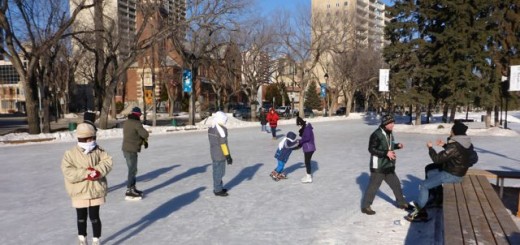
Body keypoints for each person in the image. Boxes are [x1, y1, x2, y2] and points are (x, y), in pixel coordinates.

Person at [406, 121, 474, 222]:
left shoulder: (455, 145)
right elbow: (457, 152)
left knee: (424, 185)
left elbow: (437, 159)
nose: (450, 131)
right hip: (458, 170)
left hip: (452, 174)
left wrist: (430, 148)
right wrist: (444, 145)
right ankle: (437, 198)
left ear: (455, 132)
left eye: (452, 129)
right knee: (430, 172)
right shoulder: (465, 142)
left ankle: (420, 212)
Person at [61, 123, 113, 245]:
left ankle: (96, 240)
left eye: (94, 138)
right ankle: (82, 239)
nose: (92, 141)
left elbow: (108, 162)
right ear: (82, 138)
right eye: (90, 138)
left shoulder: (99, 151)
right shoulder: (70, 154)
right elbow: (68, 171)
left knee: (95, 217)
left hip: (95, 190)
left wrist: (98, 171)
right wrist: (86, 173)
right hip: (79, 191)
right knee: (81, 217)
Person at [361, 114, 411, 215]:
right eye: (391, 123)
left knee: (396, 184)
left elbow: (389, 145)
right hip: (378, 166)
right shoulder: (376, 134)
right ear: (385, 123)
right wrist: (386, 153)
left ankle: (401, 203)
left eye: (393, 123)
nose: (393, 125)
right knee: (373, 187)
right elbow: (372, 149)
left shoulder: (389, 133)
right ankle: (365, 206)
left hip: (388, 165)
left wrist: (397, 146)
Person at [122, 107, 149, 200]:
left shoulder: (127, 122)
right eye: (140, 115)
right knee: (132, 170)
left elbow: (132, 134)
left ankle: (132, 188)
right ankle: (129, 190)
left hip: (125, 148)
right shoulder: (136, 123)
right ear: (138, 115)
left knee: (132, 169)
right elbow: (145, 134)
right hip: (132, 149)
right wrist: (143, 139)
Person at [208, 111, 233, 196]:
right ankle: (218, 190)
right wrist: (228, 156)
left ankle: (218, 187)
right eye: (224, 120)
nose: (225, 121)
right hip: (220, 155)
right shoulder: (221, 130)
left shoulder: (211, 128)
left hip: (214, 153)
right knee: (220, 172)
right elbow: (223, 144)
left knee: (217, 172)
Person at [296, 116, 316, 183]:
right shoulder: (306, 128)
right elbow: (304, 138)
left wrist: (300, 141)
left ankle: (309, 177)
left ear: (301, 124)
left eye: (299, 125)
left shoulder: (307, 128)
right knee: (307, 162)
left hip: (309, 148)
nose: (299, 127)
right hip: (308, 147)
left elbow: (307, 138)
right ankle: (308, 176)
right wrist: (299, 145)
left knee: (307, 162)